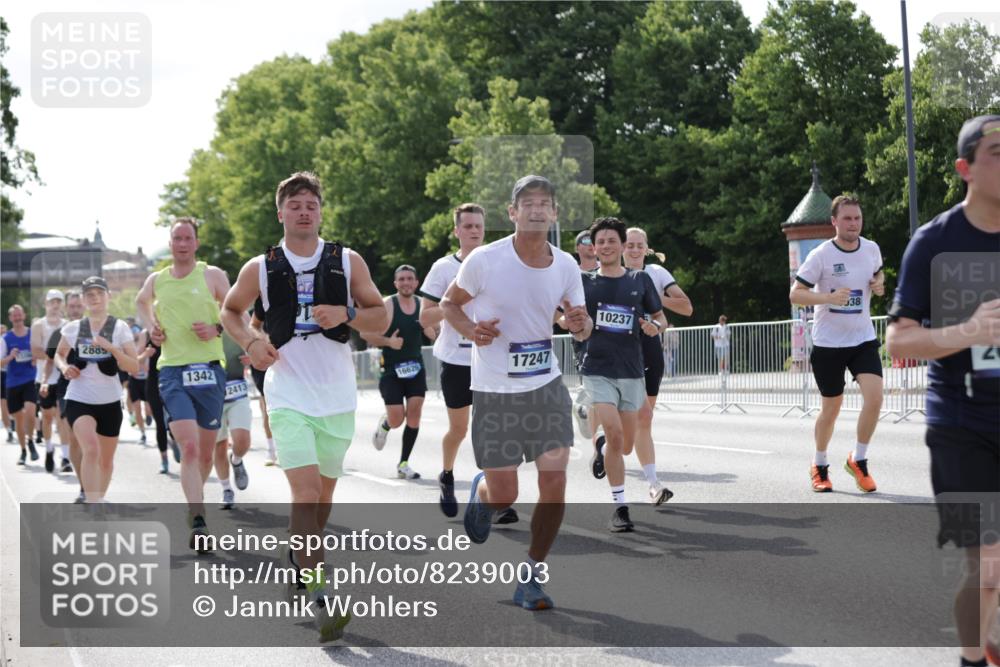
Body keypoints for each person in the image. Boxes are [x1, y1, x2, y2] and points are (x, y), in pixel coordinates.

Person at [221, 170, 388, 642]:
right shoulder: (261, 266)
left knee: (323, 502)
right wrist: (251, 342)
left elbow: (381, 313)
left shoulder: (347, 260)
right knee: (306, 495)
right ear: (281, 213)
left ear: (320, 211)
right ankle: (321, 595)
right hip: (288, 394)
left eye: (311, 204)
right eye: (294, 204)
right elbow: (231, 310)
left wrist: (347, 314)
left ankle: (299, 557)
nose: (303, 211)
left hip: (336, 397)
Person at [441, 174, 592, 610]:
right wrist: (472, 330)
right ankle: (485, 496)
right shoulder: (485, 260)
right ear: (512, 213)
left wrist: (581, 324)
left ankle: (531, 576)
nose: (537, 209)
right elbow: (450, 305)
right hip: (494, 389)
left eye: (546, 202)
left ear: (556, 213)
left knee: (555, 481)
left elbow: (577, 322)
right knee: (507, 493)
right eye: (528, 203)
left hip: (545, 385)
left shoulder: (565, 265)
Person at [886, 114, 1000, 667]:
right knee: (986, 566)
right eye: (997, 151)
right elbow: (897, 340)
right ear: (965, 168)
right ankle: (972, 660)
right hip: (960, 426)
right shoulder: (934, 242)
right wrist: (969, 333)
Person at [136, 218, 230, 549]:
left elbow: (235, 311)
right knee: (189, 447)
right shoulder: (157, 279)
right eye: (177, 238)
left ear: (196, 242)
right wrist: (151, 328)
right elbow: (140, 302)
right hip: (172, 370)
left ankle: (195, 503)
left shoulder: (213, 275)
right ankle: (199, 518)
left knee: (205, 454)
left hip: (210, 369)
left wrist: (216, 328)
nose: (182, 243)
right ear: (171, 242)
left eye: (188, 238)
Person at [790, 194, 884, 494]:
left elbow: (877, 272)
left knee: (875, 398)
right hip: (828, 343)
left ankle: (859, 459)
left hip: (862, 338)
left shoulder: (871, 249)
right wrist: (827, 298)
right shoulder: (821, 255)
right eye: (847, 218)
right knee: (831, 408)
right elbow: (796, 294)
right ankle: (819, 464)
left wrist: (879, 282)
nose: (853, 223)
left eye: (857, 218)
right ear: (834, 222)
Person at [577, 217, 666, 532]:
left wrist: (654, 327)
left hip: (631, 371)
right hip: (597, 368)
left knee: (626, 445)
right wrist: (566, 321)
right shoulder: (583, 281)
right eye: (599, 242)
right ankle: (620, 506)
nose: (604, 246)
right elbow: (559, 309)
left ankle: (601, 447)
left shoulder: (639, 280)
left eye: (611, 240)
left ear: (621, 244)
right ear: (594, 247)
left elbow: (660, 318)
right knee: (616, 435)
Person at [418, 203, 498, 517]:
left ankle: (492, 493)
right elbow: (425, 315)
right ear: (456, 231)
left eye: (479, 226)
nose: (475, 231)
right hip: (455, 360)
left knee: (490, 428)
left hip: (490, 358)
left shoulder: (496, 263)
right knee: (459, 430)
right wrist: (454, 304)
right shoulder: (442, 268)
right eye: (468, 226)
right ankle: (447, 475)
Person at [619, 227, 693, 505]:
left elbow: (686, 307)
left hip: (651, 347)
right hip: (620, 351)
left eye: (640, 245)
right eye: (630, 245)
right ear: (622, 248)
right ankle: (653, 482)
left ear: (647, 249)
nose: (635, 250)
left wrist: (650, 296)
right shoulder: (614, 273)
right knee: (637, 419)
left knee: (644, 420)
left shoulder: (657, 274)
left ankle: (650, 482)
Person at [54, 276, 138, 502]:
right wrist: (64, 367)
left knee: (106, 461)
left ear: (108, 297)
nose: (95, 298)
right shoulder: (73, 328)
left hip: (110, 401)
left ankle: (97, 498)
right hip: (79, 398)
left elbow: (134, 365)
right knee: (91, 449)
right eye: (89, 294)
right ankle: (93, 505)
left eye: (100, 293)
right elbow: (59, 354)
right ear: (83, 300)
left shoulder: (119, 328)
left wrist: (112, 349)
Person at [365, 264, 436, 480]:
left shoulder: (422, 305)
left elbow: (432, 333)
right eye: (402, 279)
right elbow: (367, 333)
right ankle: (385, 425)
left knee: (415, 414)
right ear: (396, 283)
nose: (406, 282)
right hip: (391, 372)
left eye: (410, 279)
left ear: (416, 283)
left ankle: (404, 463)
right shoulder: (388, 305)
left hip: (416, 368)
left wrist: (433, 330)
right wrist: (388, 341)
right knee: (397, 419)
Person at [41, 290, 85, 487]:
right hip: (68, 389)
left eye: (78, 306)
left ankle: (91, 474)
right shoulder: (59, 333)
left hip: (99, 391)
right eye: (72, 306)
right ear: (67, 308)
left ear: (84, 306)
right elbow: (50, 362)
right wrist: (44, 381)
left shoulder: (98, 329)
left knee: (95, 441)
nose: (75, 310)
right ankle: (84, 485)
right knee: (76, 435)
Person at [213, 332, 253, 509]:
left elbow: (256, 337)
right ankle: (226, 489)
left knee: (242, 440)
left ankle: (236, 460)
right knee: (219, 445)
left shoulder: (235, 318)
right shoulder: (198, 319)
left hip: (236, 390)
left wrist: (252, 355)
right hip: (211, 395)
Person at [31, 290, 66, 472]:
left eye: (58, 302)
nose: (55, 305)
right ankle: (50, 447)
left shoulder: (67, 325)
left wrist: (59, 359)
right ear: (46, 303)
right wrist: (53, 356)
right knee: (47, 416)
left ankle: (66, 457)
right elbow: (35, 352)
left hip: (62, 377)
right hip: (43, 378)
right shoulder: (39, 325)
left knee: (62, 416)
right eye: (52, 301)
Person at [2, 305, 39, 465]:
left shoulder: (33, 334)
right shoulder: (5, 339)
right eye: (14, 316)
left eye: (19, 315)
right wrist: (10, 357)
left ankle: (31, 439)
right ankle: (24, 450)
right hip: (12, 382)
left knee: (30, 412)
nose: (17, 318)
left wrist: (35, 357)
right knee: (18, 418)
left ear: (24, 315)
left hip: (30, 379)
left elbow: (41, 352)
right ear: (10, 318)